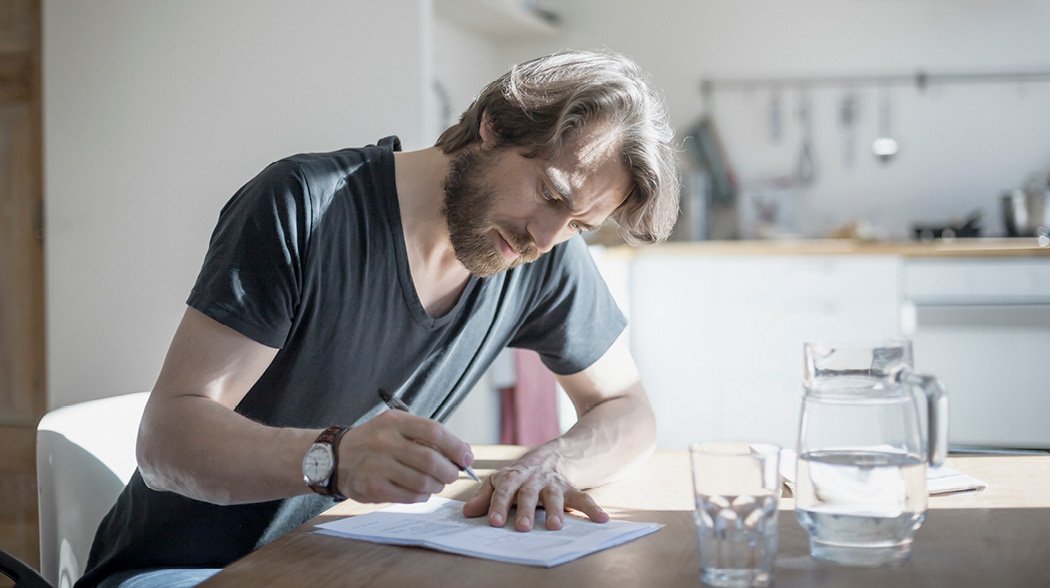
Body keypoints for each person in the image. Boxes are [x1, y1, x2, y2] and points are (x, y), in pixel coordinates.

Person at [77, 49, 680, 588]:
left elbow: (626, 407)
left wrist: (547, 464)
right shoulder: (304, 205)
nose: (546, 238)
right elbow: (166, 440)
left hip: (342, 566)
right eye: (551, 194)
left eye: (578, 224)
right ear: (492, 126)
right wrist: (335, 459)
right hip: (188, 569)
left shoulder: (541, 258)